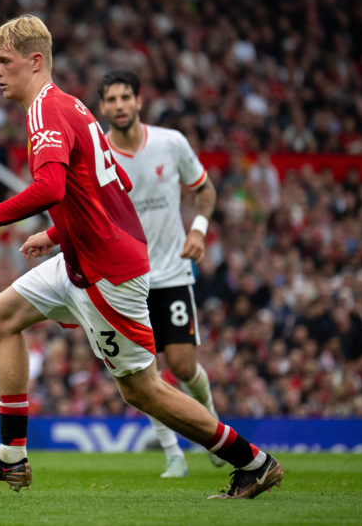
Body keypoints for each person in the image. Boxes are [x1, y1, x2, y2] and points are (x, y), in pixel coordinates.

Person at [0, 15, 282, 499]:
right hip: (84, 256)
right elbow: (109, 186)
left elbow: (50, 186)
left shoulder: (45, 112)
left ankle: (253, 462)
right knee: (1, 314)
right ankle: (11, 458)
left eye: (4, 61)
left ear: (35, 61)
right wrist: (57, 232)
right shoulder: (74, 107)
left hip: (106, 272)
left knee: (142, 389)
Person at [98, 70, 225, 478]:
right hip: (126, 278)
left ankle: (211, 424)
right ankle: (173, 454)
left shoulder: (172, 142)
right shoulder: (98, 153)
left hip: (171, 273)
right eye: (111, 99)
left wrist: (199, 230)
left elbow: (204, 189)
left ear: (139, 101)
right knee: (142, 372)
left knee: (184, 366)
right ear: (102, 107)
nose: (119, 105)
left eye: (125, 97)